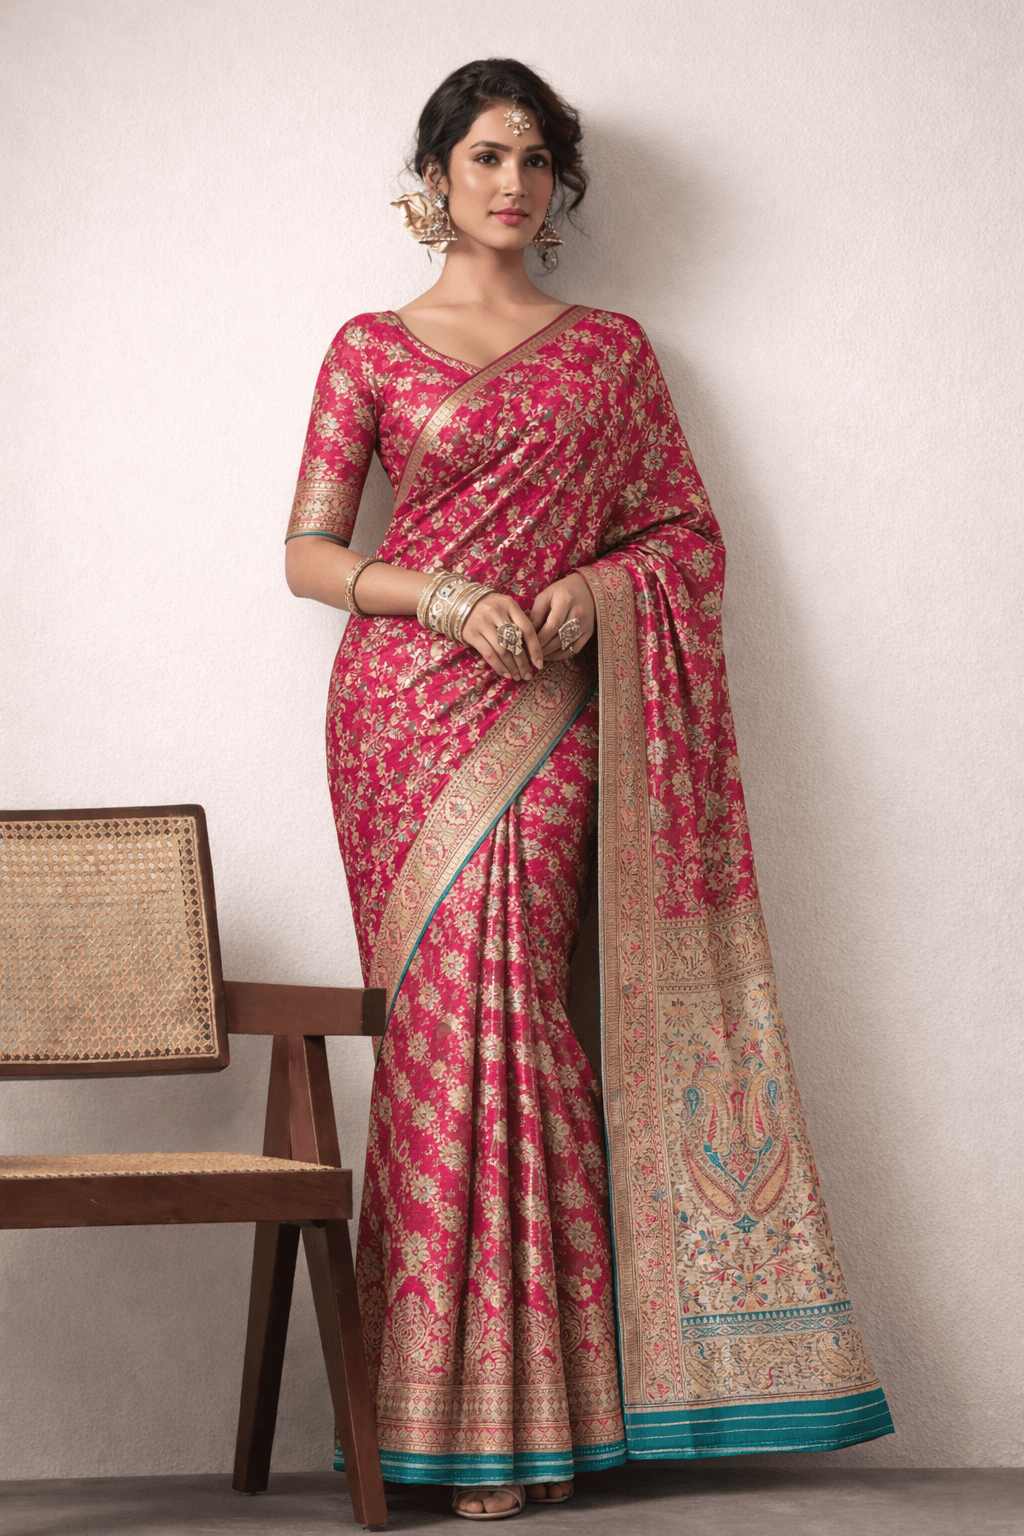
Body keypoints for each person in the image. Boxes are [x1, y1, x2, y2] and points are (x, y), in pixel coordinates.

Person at [284, 57, 893, 1522]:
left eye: (537, 161)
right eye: (487, 157)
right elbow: (307, 553)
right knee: (443, 1034)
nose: (513, 183)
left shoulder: (612, 354)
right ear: (435, 175)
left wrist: (591, 593)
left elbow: (683, 534)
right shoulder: (368, 348)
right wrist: (440, 598)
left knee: (525, 1023)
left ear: (558, 188)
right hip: (402, 718)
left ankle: (544, 1418)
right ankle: (431, 1420)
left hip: (552, 709)